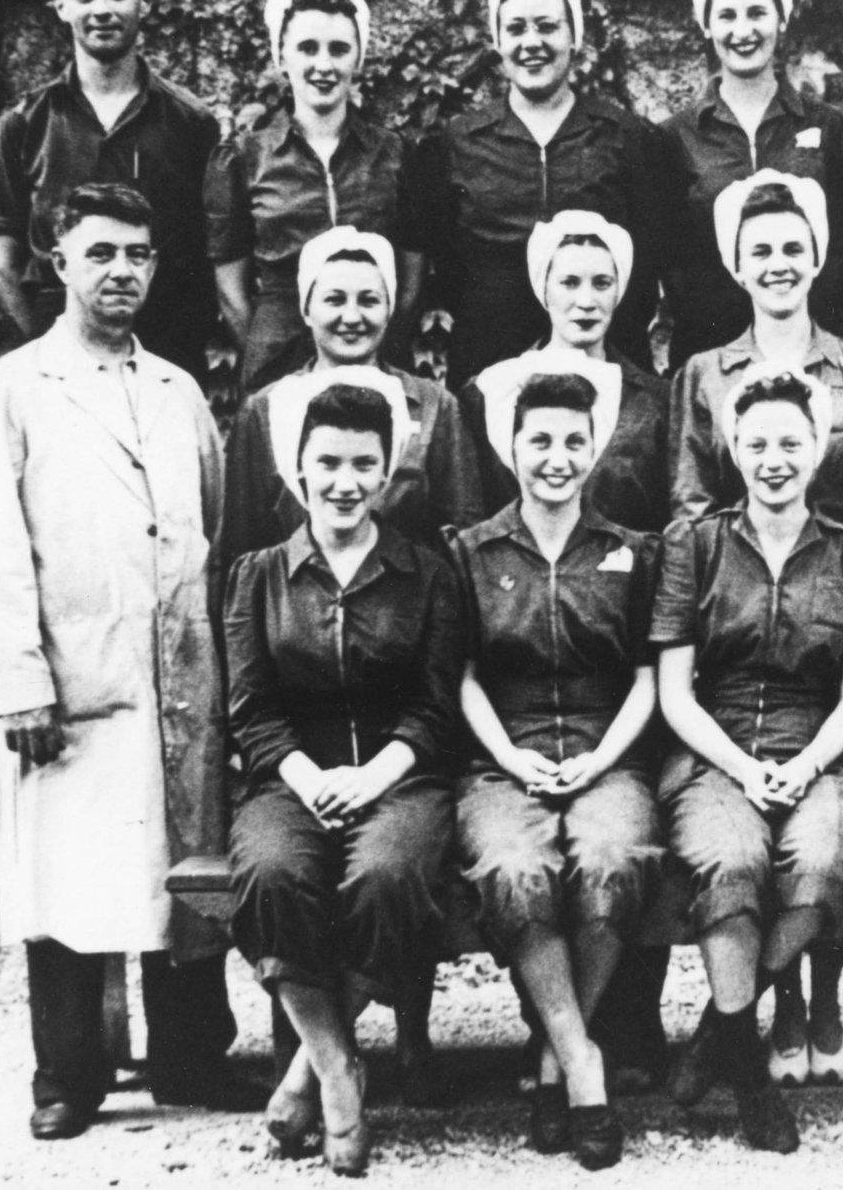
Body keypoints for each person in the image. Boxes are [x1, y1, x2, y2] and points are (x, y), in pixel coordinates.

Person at [0, 183, 256, 1141]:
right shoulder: (13, 388)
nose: (121, 271)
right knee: (69, 875)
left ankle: (191, 1054)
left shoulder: (178, 391)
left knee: (184, 869)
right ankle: (67, 1075)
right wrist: (21, 685)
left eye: (138, 253)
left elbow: (213, 529)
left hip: (180, 676)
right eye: (101, 254)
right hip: (73, 682)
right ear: (59, 260)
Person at [225, 380, 465, 1175]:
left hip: (399, 776)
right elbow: (251, 709)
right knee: (270, 873)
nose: (345, 480)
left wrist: (374, 776)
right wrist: (302, 773)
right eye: (327, 461)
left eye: (365, 462)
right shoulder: (259, 575)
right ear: (297, 469)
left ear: (388, 469)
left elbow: (436, 708)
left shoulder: (426, 573)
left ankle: (302, 1069)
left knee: (389, 874)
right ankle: (336, 1072)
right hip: (289, 777)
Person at [652, 369, 843, 1153]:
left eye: (791, 441)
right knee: (732, 858)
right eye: (757, 442)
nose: (774, 457)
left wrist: (809, 762)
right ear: (733, 448)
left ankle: (723, 1027)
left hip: (819, 753)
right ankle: (752, 1081)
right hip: (713, 752)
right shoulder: (695, 544)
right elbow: (675, 692)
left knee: (820, 860)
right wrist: (746, 769)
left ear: (817, 448)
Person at [450, 365, 663, 1171]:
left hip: (608, 755)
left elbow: (648, 680)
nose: (557, 456)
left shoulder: (630, 552)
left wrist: (600, 760)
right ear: (511, 446)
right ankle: (580, 1060)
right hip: (501, 758)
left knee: (612, 857)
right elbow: (462, 677)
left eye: (575, 439)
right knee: (515, 866)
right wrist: (510, 756)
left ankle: (548, 1052)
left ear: (597, 444)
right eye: (540, 439)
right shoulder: (471, 551)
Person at [0, 0, 220, 382]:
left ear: (143, 3)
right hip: (57, 370)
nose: (102, 8)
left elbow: (215, 257)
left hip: (166, 362)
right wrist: (51, 348)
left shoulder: (193, 125)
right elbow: (2, 263)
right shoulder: (24, 126)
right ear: (61, 6)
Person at [420, 0, 664, 387]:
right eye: (515, 28)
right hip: (488, 361)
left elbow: (647, 260)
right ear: (497, 42)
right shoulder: (458, 142)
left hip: (605, 361)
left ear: (574, 37)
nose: (531, 42)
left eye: (547, 26)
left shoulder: (624, 136)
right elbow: (447, 262)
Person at [205, 0, 425, 389]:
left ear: (358, 58)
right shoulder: (243, 158)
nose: (323, 66)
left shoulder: (395, 154)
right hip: (279, 356)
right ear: (282, 57)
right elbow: (231, 292)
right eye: (307, 48)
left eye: (339, 49)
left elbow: (410, 283)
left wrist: (377, 341)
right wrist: (272, 352)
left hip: (374, 352)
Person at [223, 226, 482, 561]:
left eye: (369, 300)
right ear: (306, 310)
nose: (352, 317)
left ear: (389, 309)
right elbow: (239, 549)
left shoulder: (435, 406)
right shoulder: (264, 411)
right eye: (334, 300)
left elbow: (465, 537)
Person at [671, 170, 843, 533]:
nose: (779, 266)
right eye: (761, 253)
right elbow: (692, 502)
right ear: (738, 268)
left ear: (816, 261)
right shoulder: (704, 373)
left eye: (793, 249)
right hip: (735, 577)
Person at [658, 0, 843, 372]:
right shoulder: (674, 137)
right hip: (710, 350)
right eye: (726, 15)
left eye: (757, 13)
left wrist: (810, 312)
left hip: (811, 346)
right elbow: (670, 255)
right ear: (706, 25)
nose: (742, 30)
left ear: (782, 20)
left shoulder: (827, 127)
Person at [461, 212, 670, 535]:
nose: (586, 301)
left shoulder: (655, 401)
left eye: (602, 283)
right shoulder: (490, 390)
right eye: (569, 283)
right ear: (543, 289)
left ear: (619, 290)